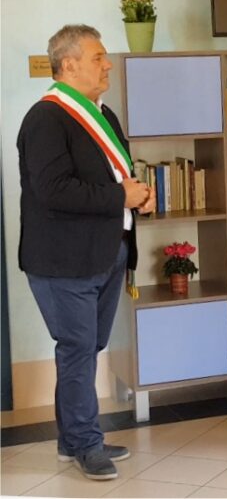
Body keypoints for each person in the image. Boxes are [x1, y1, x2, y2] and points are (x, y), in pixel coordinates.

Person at [18, 24, 155, 480]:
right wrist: (121, 197)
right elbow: (54, 190)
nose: (108, 64)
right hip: (64, 260)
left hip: (107, 251)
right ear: (69, 64)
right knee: (77, 349)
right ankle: (87, 444)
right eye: (98, 57)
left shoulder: (103, 114)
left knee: (86, 348)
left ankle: (72, 439)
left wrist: (139, 196)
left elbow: (118, 176)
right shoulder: (45, 119)